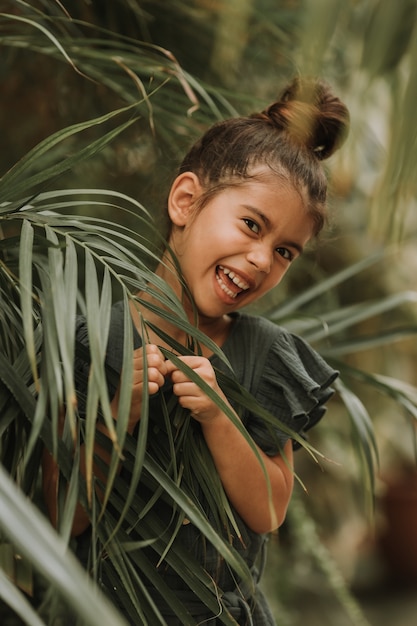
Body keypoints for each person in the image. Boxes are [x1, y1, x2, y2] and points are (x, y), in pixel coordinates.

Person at [43, 76, 349, 625]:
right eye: (251, 225)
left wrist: (219, 414)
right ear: (186, 200)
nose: (261, 259)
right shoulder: (88, 339)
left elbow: (270, 510)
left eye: (284, 251)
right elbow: (59, 512)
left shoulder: (268, 356)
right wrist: (119, 415)